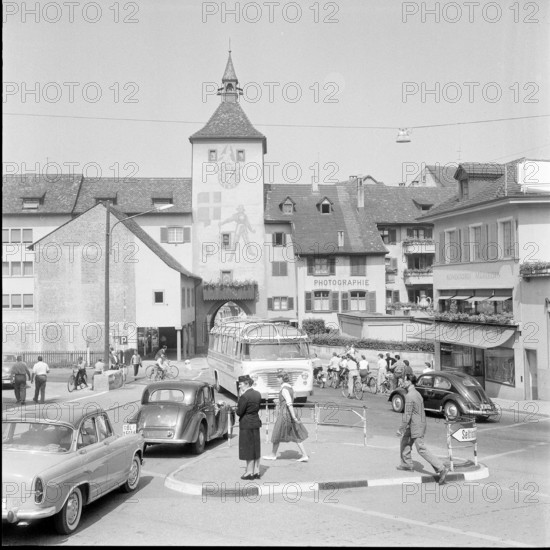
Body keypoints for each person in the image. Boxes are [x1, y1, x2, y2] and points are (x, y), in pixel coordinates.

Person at [396, 374, 449, 485]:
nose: (403, 382)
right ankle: (407, 464)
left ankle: (441, 468)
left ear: (409, 382)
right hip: (418, 422)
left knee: (421, 449)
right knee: (405, 440)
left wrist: (401, 429)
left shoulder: (410, 396)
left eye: (405, 380)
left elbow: (407, 414)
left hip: (416, 424)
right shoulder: (417, 393)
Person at [263, 371, 309, 462]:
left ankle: (273, 454)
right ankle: (304, 455)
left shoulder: (284, 389)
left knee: (277, 432)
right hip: (289, 412)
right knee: (295, 433)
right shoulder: (290, 387)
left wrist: (294, 417)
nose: (277, 379)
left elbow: (289, 403)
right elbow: (291, 399)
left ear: (281, 378)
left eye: (278, 378)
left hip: (285, 413)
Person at [236, 375, 262, 480]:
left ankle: (249, 472)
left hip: (246, 424)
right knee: (255, 447)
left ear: (247, 384)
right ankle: (256, 471)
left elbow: (239, 412)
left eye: (240, 384)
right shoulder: (257, 394)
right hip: (255, 422)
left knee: (248, 448)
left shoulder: (244, 396)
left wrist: (240, 398)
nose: (239, 386)